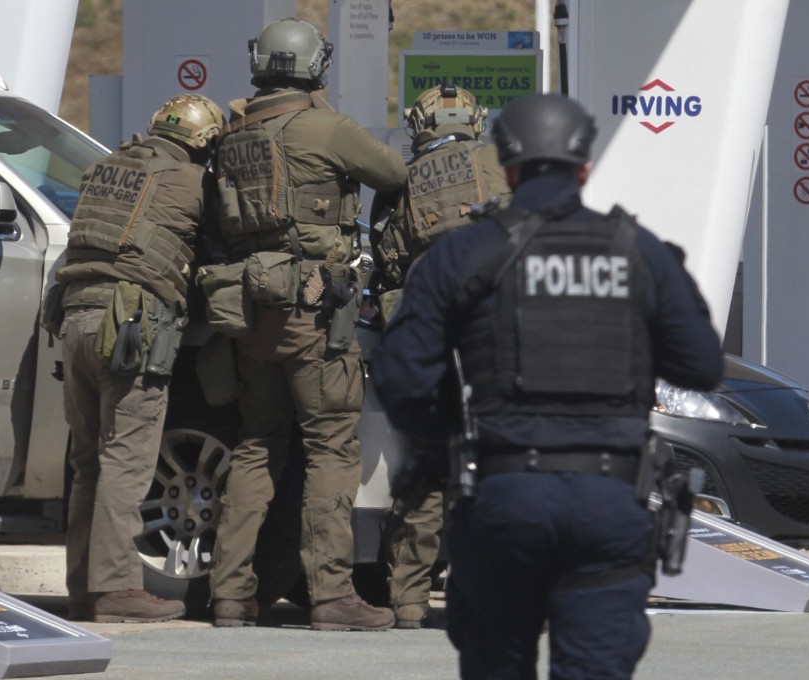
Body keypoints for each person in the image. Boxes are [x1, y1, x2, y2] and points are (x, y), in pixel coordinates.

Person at [371, 93, 723, 677]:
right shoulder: (638, 251)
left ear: (506, 169)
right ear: (585, 167)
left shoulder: (464, 251)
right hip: (609, 503)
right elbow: (702, 366)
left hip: (503, 496)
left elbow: (402, 377)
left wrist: (452, 436)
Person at [207, 16, 407, 631]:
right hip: (315, 310)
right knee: (330, 449)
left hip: (249, 310)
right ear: (316, 66)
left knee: (256, 446)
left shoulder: (233, 132)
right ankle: (332, 596)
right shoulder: (325, 126)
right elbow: (394, 175)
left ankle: (231, 596)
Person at [54, 93, 225, 623]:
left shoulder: (103, 169)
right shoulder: (194, 182)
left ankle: (84, 585)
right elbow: (218, 249)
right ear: (203, 143)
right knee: (126, 462)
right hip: (130, 324)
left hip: (75, 317)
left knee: (87, 463)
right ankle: (118, 590)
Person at [368, 83, 510, 629]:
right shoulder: (503, 161)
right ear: (474, 120)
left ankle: (408, 600)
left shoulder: (401, 183)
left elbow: (386, 261)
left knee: (427, 466)